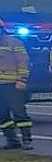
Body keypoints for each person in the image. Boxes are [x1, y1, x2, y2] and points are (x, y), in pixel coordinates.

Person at [0, 21, 33, 150]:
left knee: (19, 113)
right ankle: (12, 139)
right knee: (2, 115)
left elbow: (23, 62)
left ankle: (27, 139)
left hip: (13, 84)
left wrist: (22, 80)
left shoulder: (14, 42)